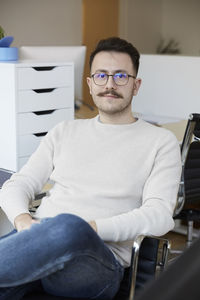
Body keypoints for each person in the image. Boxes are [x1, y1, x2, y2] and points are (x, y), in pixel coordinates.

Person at [0, 37, 181, 300]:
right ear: (90, 83)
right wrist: (23, 220)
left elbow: (159, 215)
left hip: (98, 264)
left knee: (68, 226)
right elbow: (19, 183)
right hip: (42, 241)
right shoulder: (65, 131)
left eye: (120, 76)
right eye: (101, 75)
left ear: (136, 85)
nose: (109, 84)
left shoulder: (160, 142)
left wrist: (90, 227)